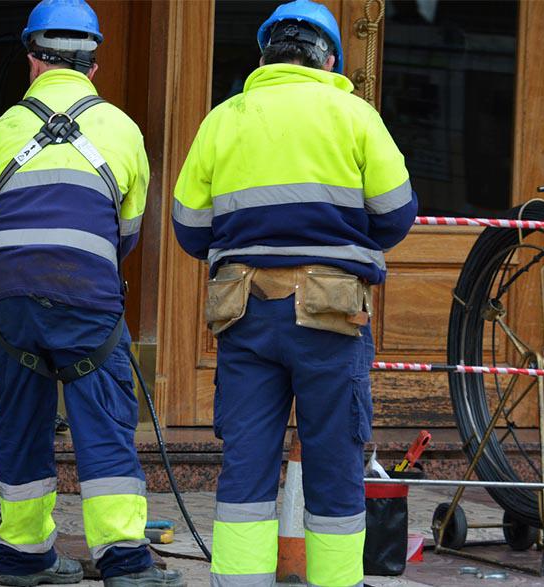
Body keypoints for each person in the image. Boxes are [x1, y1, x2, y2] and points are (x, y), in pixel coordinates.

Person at [171, 1, 417, 585]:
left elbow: (189, 227)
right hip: (331, 312)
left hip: (244, 311)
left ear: (266, 55)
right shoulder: (355, 116)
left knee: (246, 464)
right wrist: (342, 235)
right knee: (334, 464)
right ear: (327, 58)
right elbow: (396, 214)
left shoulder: (223, 119)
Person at [0, 1, 183, 585]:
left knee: (21, 424)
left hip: (10, 303)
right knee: (104, 424)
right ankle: (125, 562)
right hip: (87, 298)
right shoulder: (123, 131)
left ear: (31, 59)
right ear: (94, 66)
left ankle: (24, 558)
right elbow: (124, 234)